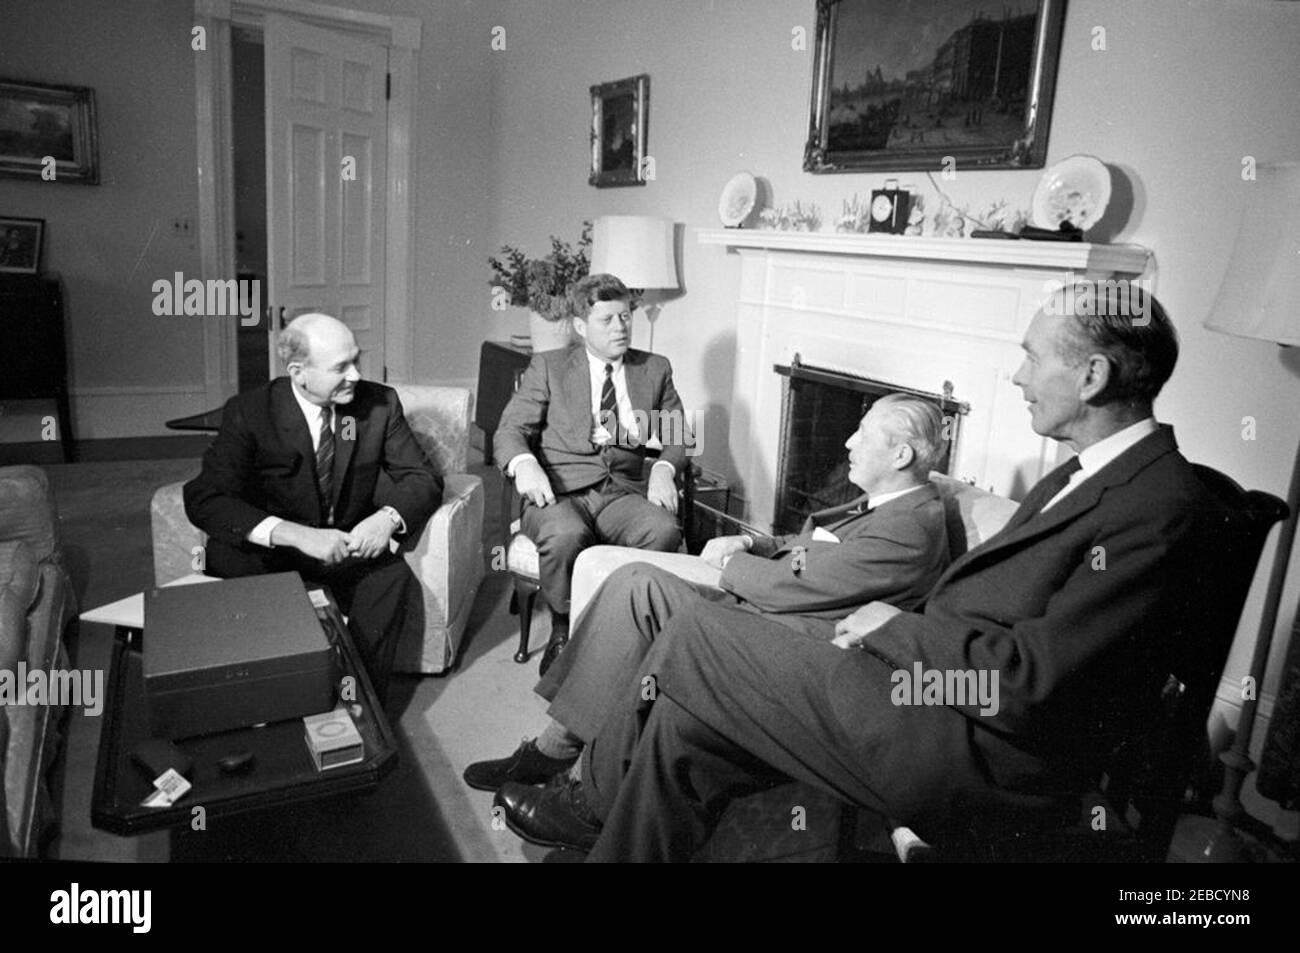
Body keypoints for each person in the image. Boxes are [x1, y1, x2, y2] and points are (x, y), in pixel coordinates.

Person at [510, 281, 1226, 861]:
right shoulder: (1089, 474)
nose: (1018, 374)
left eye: (1034, 358)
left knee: (694, 627)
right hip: (921, 691)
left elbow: (1033, 684)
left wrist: (899, 631)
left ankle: (586, 800)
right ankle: (602, 827)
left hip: (968, 747)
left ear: (1093, 375)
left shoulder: (1158, 503)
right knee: (683, 722)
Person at [478, 394, 952, 849]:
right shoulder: (883, 504)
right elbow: (810, 550)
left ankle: (587, 800)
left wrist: (732, 566)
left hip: (781, 640)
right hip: (760, 615)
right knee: (636, 582)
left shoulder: (911, 526)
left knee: (649, 598)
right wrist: (752, 544)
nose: (848, 442)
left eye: (863, 434)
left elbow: (804, 584)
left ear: (901, 454)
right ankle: (556, 746)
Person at [184, 313, 442, 707]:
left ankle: (359, 703)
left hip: (347, 546)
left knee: (392, 578)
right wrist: (296, 535)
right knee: (228, 560)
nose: (355, 375)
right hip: (275, 554)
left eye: (356, 361)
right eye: (341, 367)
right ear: (298, 372)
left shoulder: (379, 404)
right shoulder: (251, 411)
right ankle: (276, 699)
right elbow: (205, 497)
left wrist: (385, 520)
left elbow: (422, 478)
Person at [496, 273, 689, 674]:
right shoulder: (549, 367)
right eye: (608, 320)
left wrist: (665, 469)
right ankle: (563, 628)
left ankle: (623, 626)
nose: (621, 327)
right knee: (566, 534)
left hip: (621, 493)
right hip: (560, 492)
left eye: (625, 317)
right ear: (582, 326)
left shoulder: (654, 368)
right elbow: (511, 429)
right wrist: (525, 465)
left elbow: (676, 436)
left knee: (663, 530)